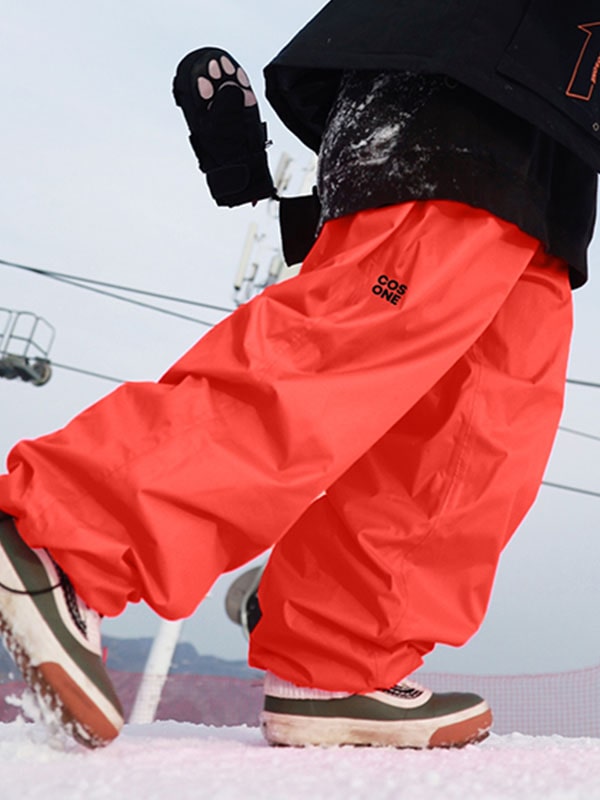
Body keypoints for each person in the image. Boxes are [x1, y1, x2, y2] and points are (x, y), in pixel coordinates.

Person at [0, 0, 598, 750]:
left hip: (561, 133)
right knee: (350, 351)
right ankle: (64, 536)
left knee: (484, 427)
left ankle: (340, 656)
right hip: (469, 75)